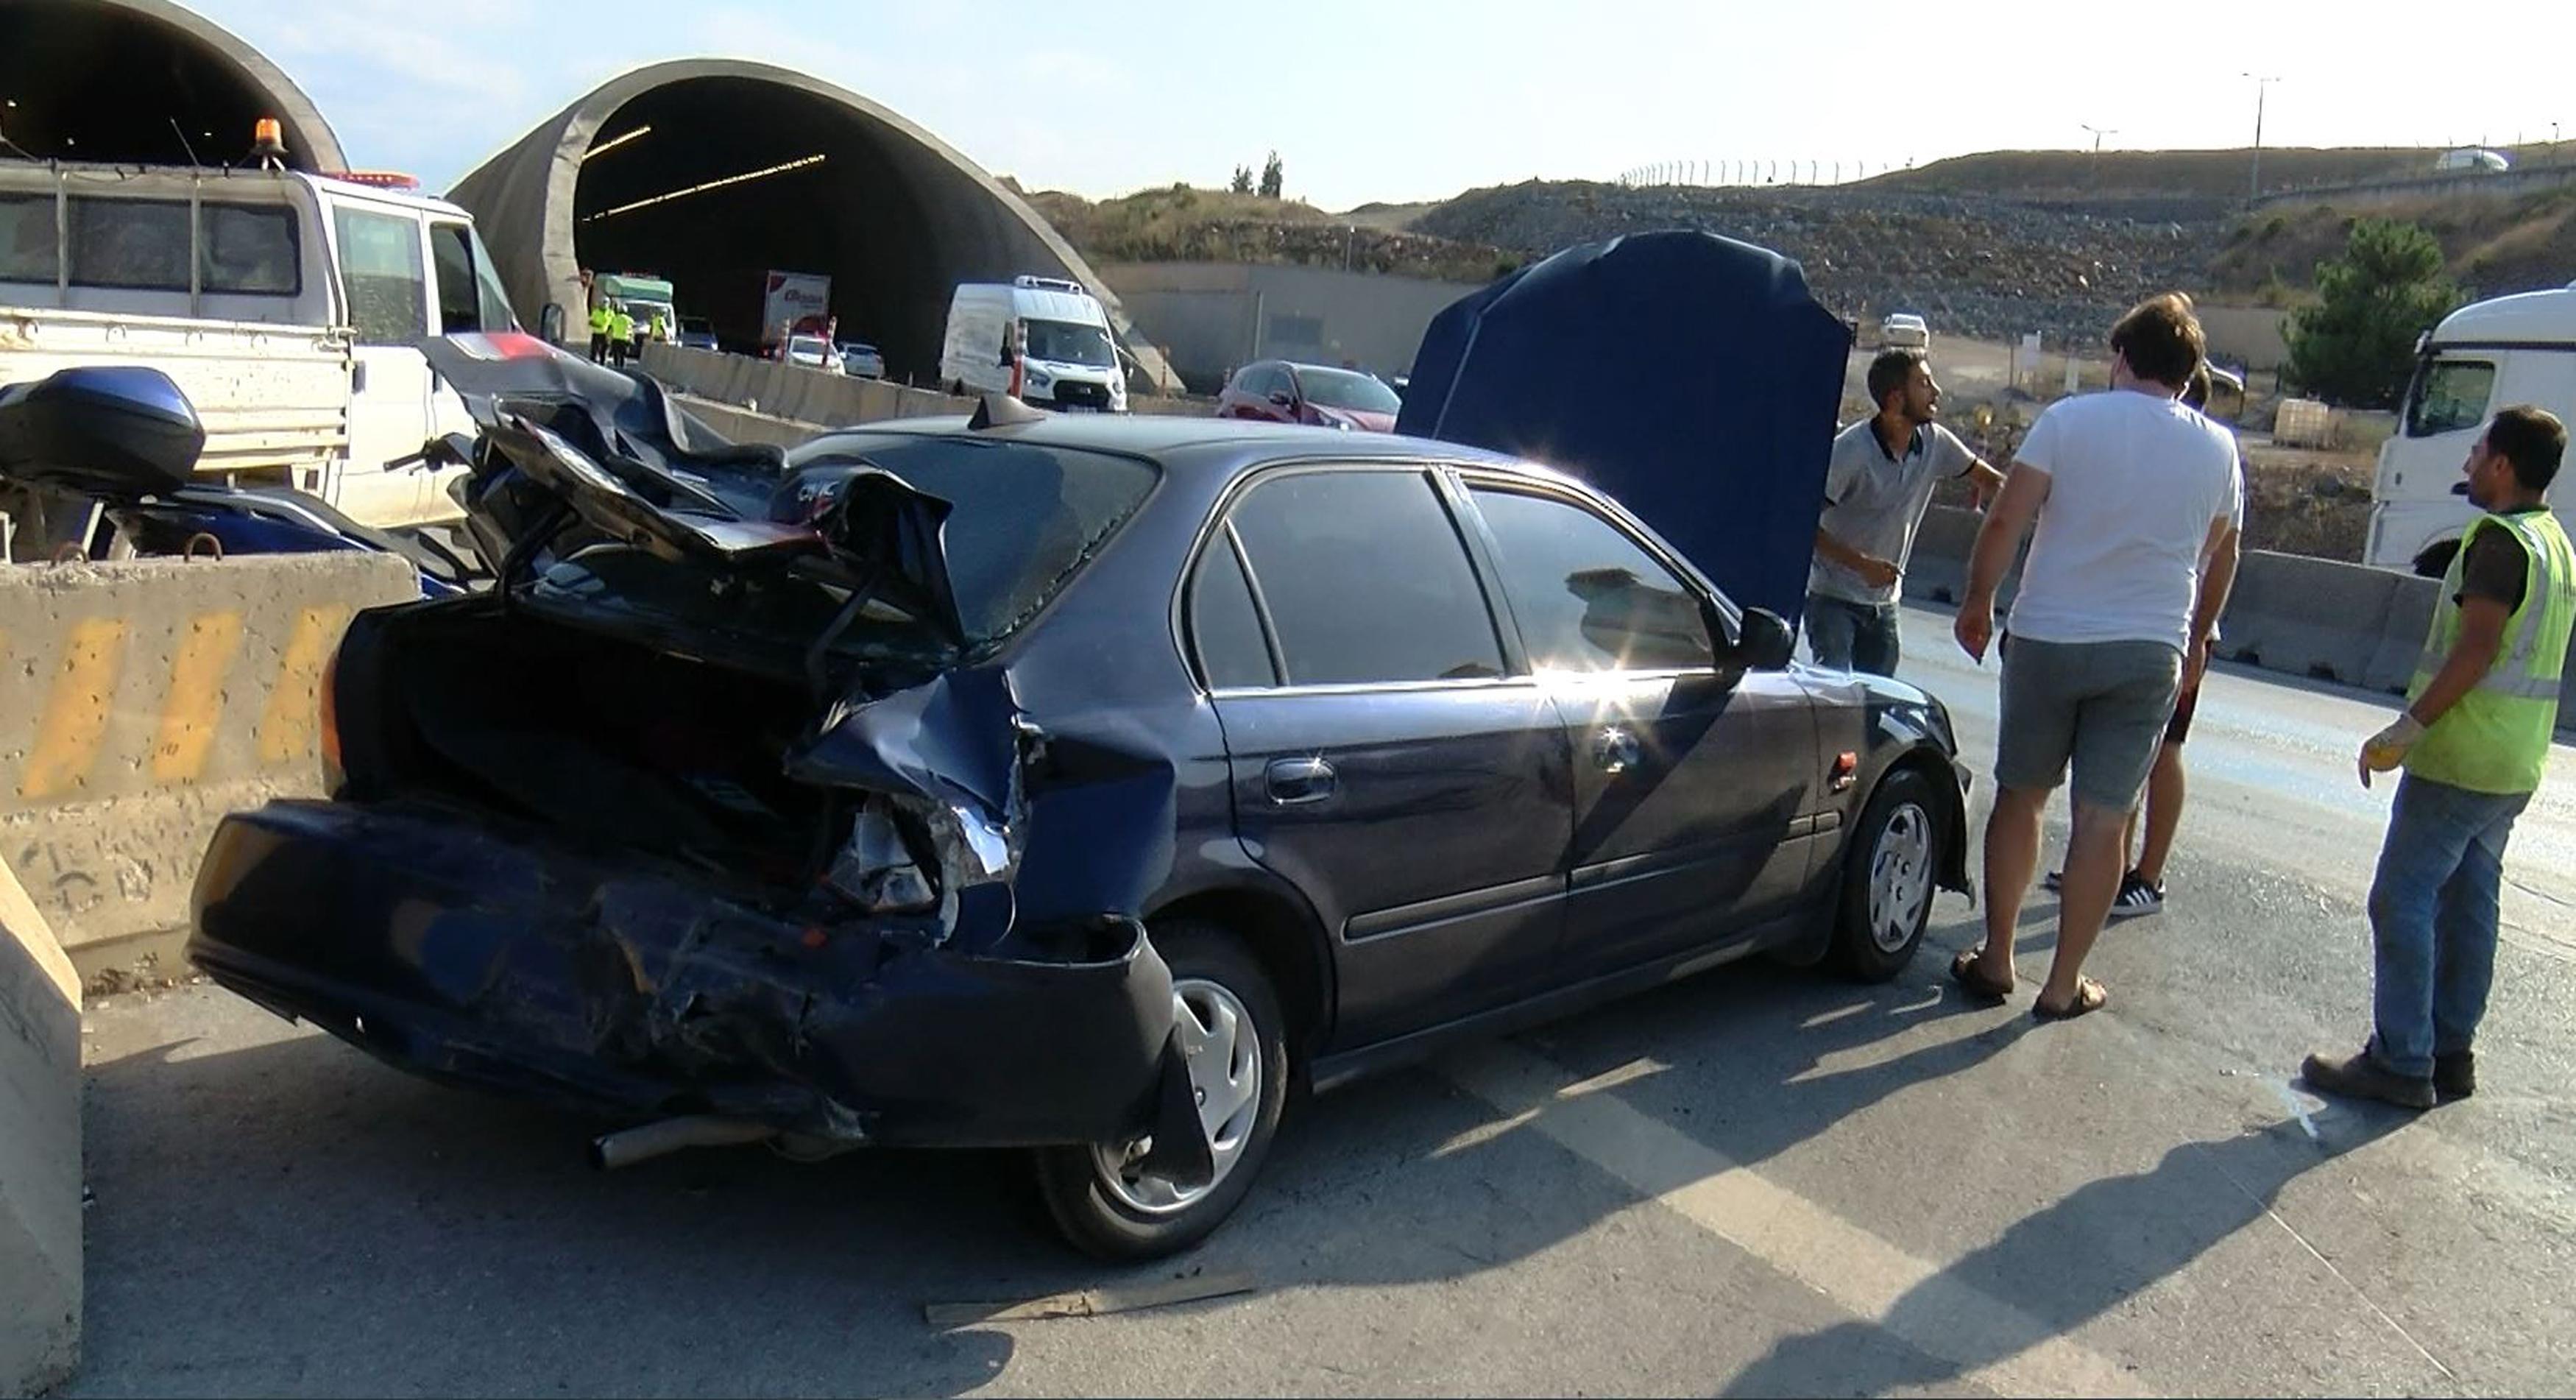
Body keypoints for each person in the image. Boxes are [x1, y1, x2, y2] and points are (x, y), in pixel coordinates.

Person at [1950, 293, 2242, 1020]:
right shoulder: (2216, 447)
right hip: (2148, 647)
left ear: (2120, 356)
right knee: (2104, 820)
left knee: (2020, 795)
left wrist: (1977, 600)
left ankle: (1995, 957)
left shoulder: (2067, 420)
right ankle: (2061, 984)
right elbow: (2220, 551)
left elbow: (2007, 516)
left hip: (2048, 634)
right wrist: (2197, 632)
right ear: (2186, 372)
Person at [2303, 406, 2571, 1109]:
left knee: (2401, 898)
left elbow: (2476, 648)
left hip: (2461, 757)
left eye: (2478, 452)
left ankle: (2401, 1059)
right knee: (2469, 905)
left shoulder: (2498, 543)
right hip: (2514, 763)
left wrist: (2405, 731)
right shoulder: (2555, 542)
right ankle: (2451, 1053)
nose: (2468, 463)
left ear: (2504, 465)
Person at [2041, 364, 2245, 917]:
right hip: (2146, 627)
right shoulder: (2176, 458)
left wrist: (2200, 636)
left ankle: (2148, 877)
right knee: (2122, 760)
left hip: (2178, 630)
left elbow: (2225, 555)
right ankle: (2104, 866)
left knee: (2164, 753)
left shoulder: (2210, 460)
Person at [1808, 350, 2004, 674]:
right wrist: (1861, 565)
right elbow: (1804, 527)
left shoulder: (1935, 442)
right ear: (1896, 398)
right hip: (1833, 601)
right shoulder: (1851, 453)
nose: (1937, 392)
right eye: (1924, 383)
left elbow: (1991, 482)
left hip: (1885, 606)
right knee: (1836, 698)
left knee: (1879, 709)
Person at [608, 304, 635, 368]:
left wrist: (609, 338)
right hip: (625, 340)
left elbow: (611, 329)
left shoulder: (614, 318)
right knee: (623, 356)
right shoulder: (629, 320)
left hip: (615, 339)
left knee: (616, 355)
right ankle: (623, 368)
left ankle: (616, 367)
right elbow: (632, 330)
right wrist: (632, 339)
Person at [587, 299, 612, 364]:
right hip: (596, 333)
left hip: (605, 334)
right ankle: (592, 362)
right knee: (594, 350)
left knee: (604, 350)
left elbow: (612, 324)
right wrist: (597, 325)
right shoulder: (596, 312)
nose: (604, 304)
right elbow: (590, 322)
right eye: (603, 302)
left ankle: (603, 363)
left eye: (606, 302)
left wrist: (610, 333)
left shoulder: (610, 313)